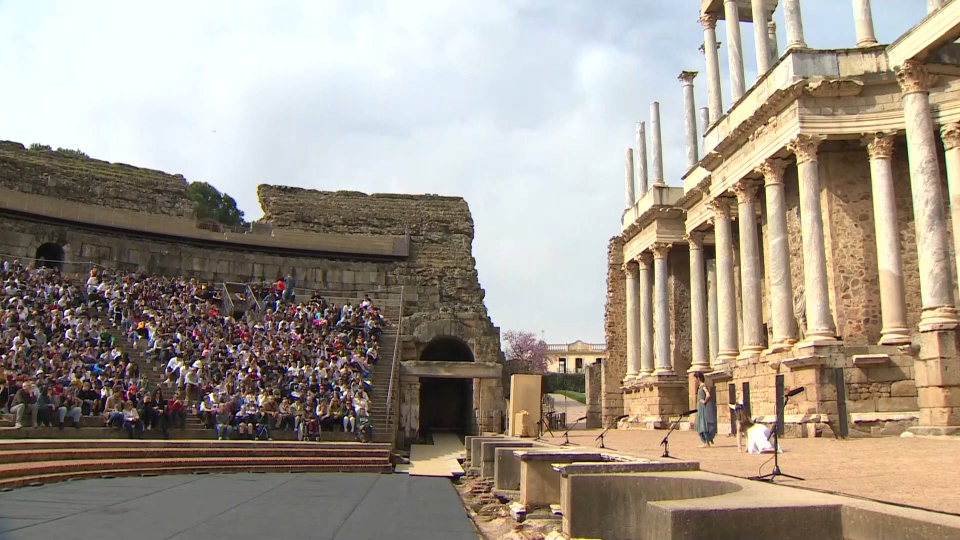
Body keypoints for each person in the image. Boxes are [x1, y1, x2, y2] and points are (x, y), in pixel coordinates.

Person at [693, 372, 717, 448]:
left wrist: (704, 401)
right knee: (701, 423)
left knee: (704, 423)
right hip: (700, 407)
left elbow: (708, 395)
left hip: (703, 407)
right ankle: (705, 441)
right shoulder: (700, 386)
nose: (694, 380)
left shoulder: (703, 386)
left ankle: (707, 442)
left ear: (698, 378)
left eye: (695, 378)